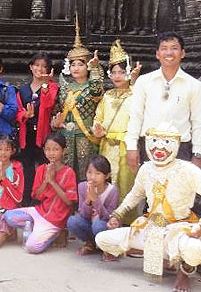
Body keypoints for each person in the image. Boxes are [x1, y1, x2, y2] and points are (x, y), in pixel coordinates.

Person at [95, 123, 201, 292]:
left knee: (197, 250)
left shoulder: (188, 170)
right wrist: (117, 215)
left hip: (179, 228)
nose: (159, 147)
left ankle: (183, 272)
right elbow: (135, 194)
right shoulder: (146, 168)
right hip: (151, 226)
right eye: (154, 141)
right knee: (102, 239)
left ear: (177, 144)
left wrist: (199, 227)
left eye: (166, 142)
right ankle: (165, 257)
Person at [126, 31, 201, 171]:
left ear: (182, 53)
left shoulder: (194, 85)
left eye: (174, 48)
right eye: (164, 48)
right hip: (150, 146)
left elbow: (198, 121)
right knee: (152, 191)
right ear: (157, 54)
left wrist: (198, 154)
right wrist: (131, 147)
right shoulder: (144, 81)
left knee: (179, 191)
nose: (169, 52)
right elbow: (136, 116)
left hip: (181, 148)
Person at [92, 40, 141, 223]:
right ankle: (103, 221)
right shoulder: (107, 95)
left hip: (125, 146)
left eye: (122, 71)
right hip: (107, 146)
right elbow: (99, 117)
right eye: (113, 72)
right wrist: (97, 128)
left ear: (129, 73)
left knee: (126, 185)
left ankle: (126, 224)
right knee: (106, 184)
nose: (117, 76)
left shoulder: (136, 93)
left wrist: (135, 82)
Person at [4, 133, 77, 254]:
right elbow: (36, 196)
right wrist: (46, 181)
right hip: (40, 211)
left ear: (64, 151)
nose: (51, 153)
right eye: (48, 149)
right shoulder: (42, 169)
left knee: (32, 247)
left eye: (55, 149)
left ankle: (57, 233)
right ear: (43, 150)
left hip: (55, 219)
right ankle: (35, 227)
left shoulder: (69, 172)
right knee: (8, 216)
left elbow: (69, 201)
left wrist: (53, 182)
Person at [51, 19, 104, 181]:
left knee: (85, 171)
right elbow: (57, 110)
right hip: (66, 133)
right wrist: (56, 123)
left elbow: (97, 92)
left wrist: (95, 68)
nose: (75, 68)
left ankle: (85, 202)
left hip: (86, 134)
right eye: (73, 64)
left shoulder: (92, 86)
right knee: (66, 171)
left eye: (80, 64)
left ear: (86, 66)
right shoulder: (66, 86)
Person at [16, 52, 58, 206]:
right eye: (37, 65)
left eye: (44, 66)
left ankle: (42, 201)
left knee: (43, 167)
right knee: (27, 168)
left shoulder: (52, 87)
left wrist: (46, 84)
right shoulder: (23, 89)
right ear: (31, 67)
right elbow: (17, 110)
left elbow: (48, 105)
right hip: (26, 133)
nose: (40, 69)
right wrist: (24, 114)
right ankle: (26, 201)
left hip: (43, 134)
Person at [67, 155, 119, 255]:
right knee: (72, 221)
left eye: (98, 173)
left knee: (98, 225)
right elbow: (83, 215)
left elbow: (109, 217)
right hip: (89, 224)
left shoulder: (112, 191)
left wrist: (95, 199)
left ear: (107, 175)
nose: (93, 177)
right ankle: (91, 243)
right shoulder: (82, 187)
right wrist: (88, 201)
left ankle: (107, 247)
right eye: (89, 172)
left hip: (104, 226)